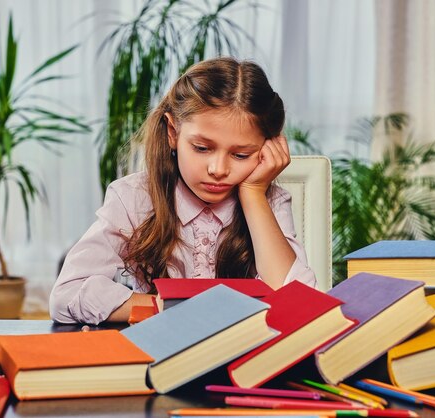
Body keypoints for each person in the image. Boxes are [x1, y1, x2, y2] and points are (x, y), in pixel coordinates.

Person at [50, 57, 317, 324]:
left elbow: (298, 303)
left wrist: (253, 194)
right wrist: (173, 308)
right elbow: (66, 294)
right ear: (173, 132)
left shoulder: (268, 201)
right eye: (202, 148)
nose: (218, 169)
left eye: (241, 154)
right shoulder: (134, 197)